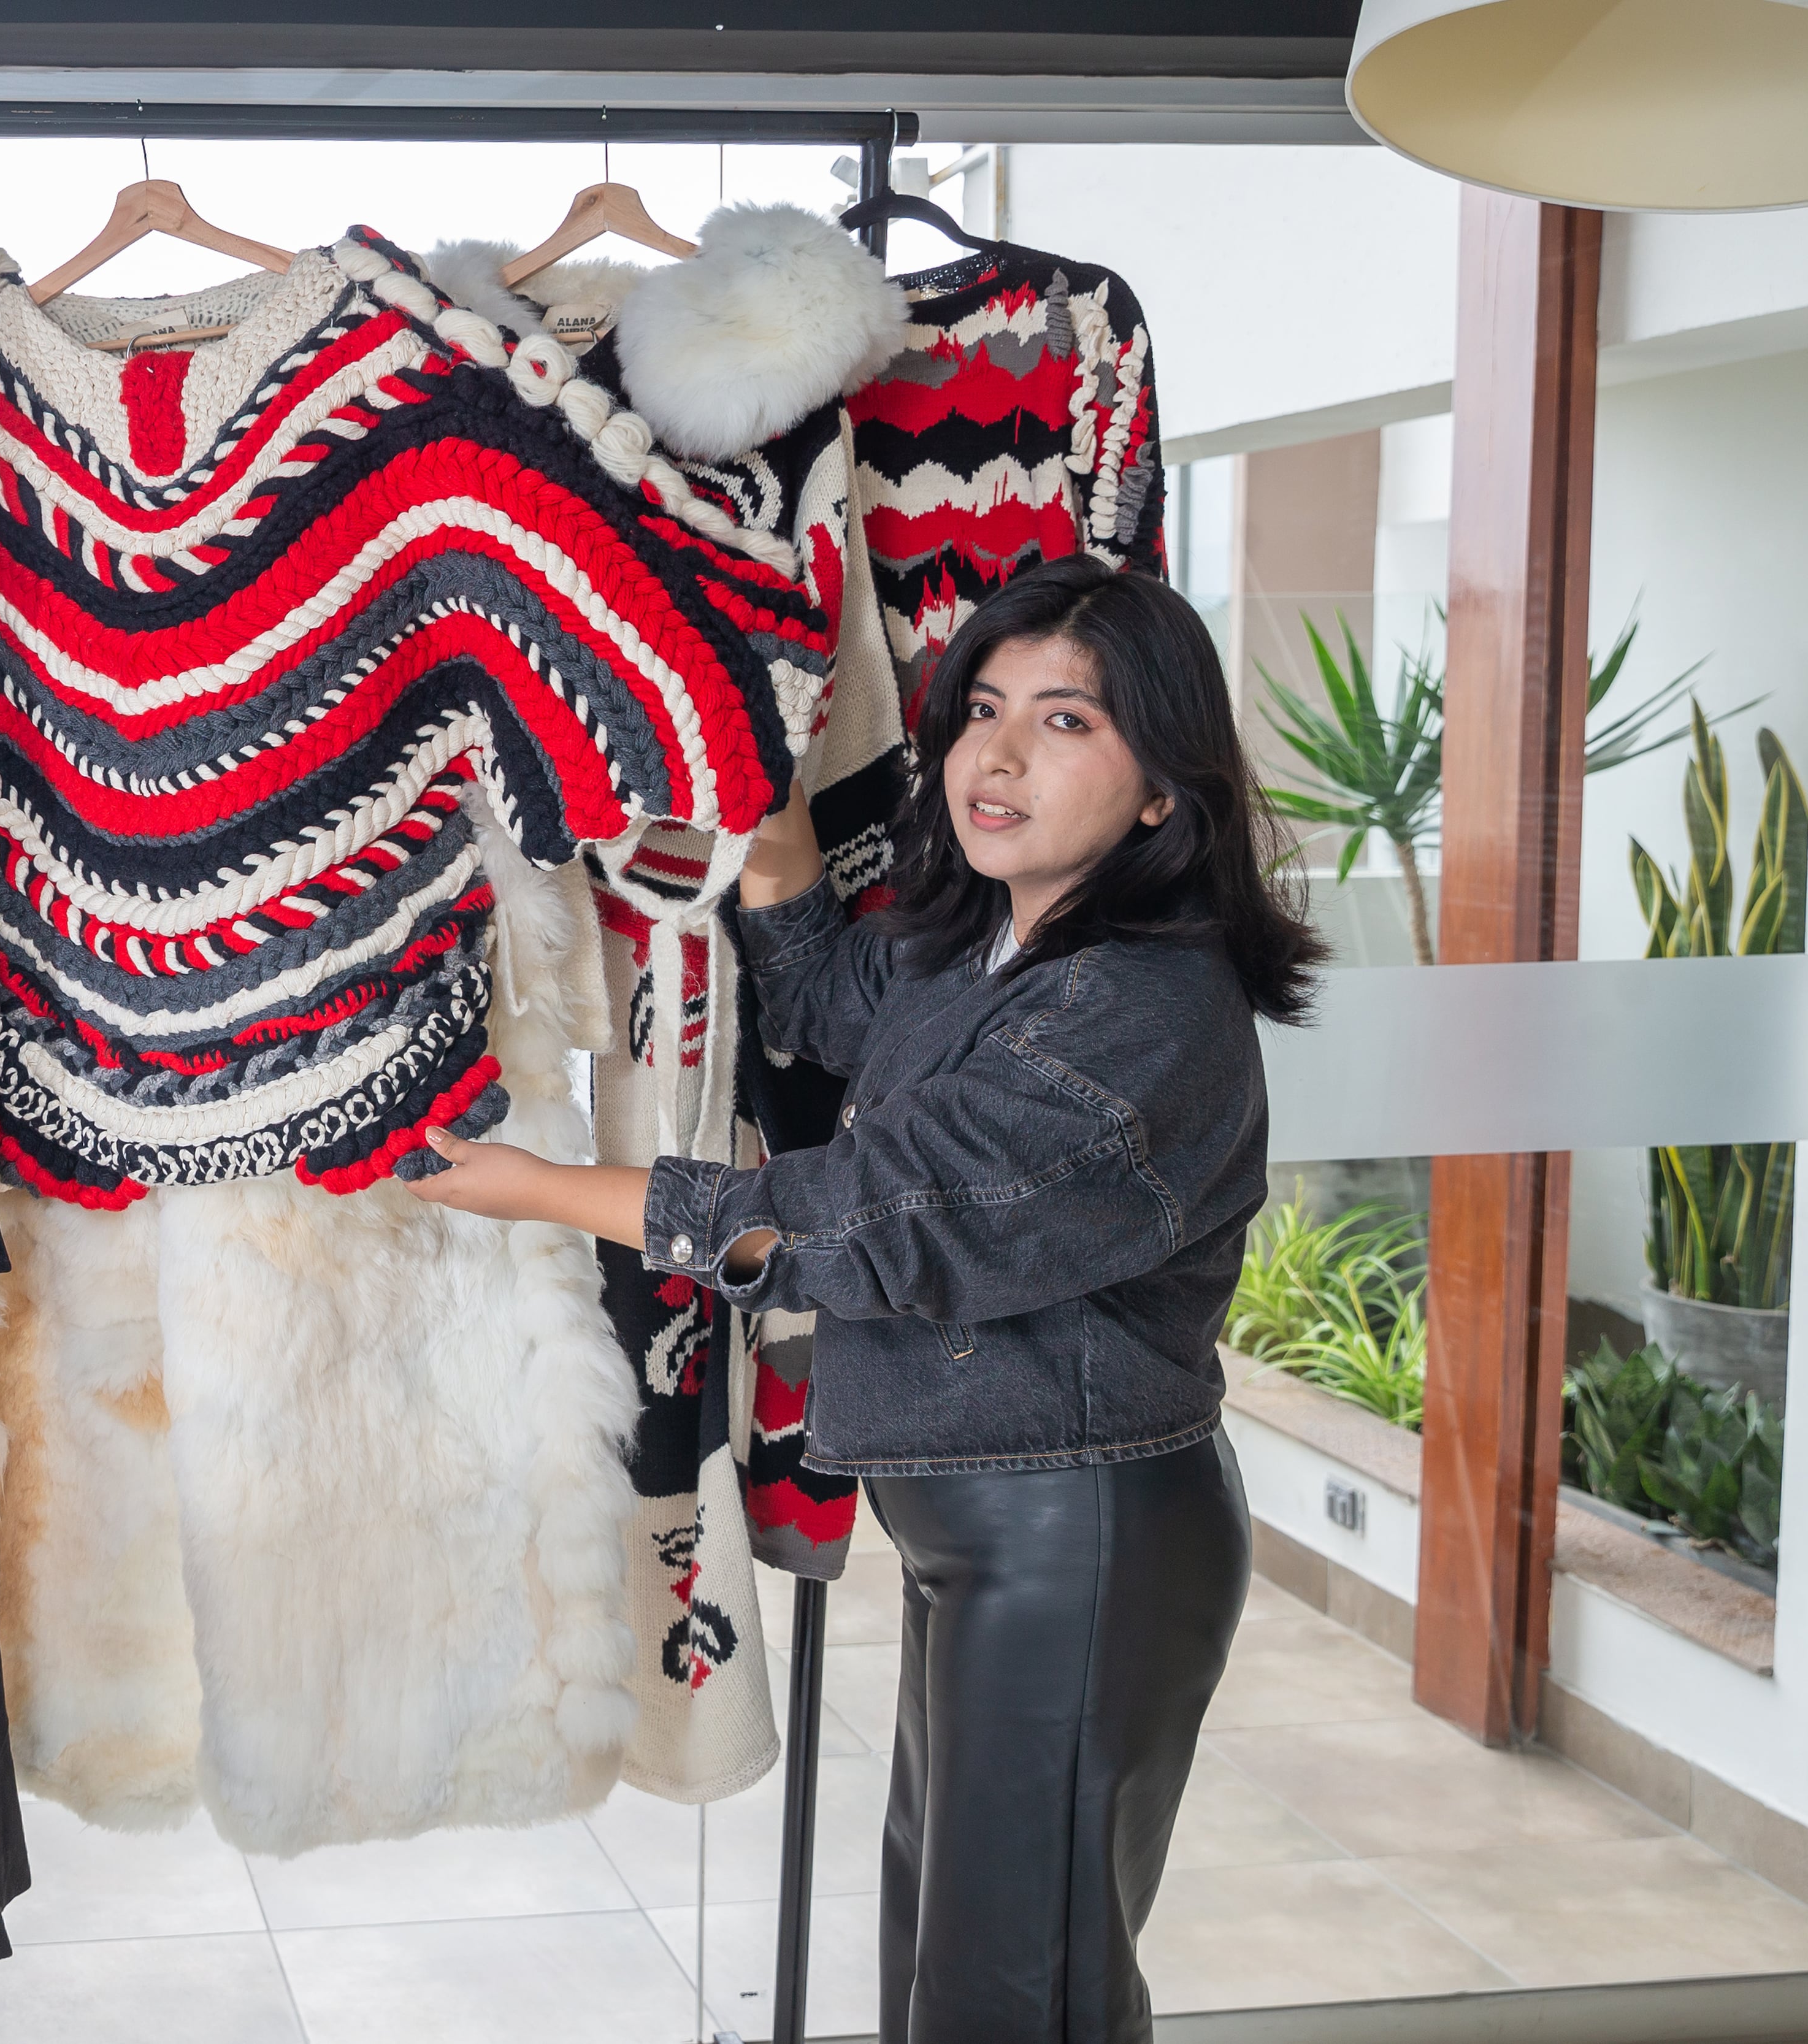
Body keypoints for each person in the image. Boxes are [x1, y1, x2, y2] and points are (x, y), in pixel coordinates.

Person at [407, 553, 1323, 2044]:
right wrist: (755, 794)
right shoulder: (1004, 939)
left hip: (1079, 1533)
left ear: (1166, 785)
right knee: (948, 1956)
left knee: (1014, 1991)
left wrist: (546, 1188)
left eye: (1067, 721)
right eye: (983, 710)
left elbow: (869, 1216)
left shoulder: (1140, 1010)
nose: (998, 756)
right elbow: (835, 1002)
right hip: (997, 1526)